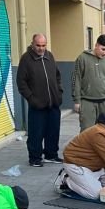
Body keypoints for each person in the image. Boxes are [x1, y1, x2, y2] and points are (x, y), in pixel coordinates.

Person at [16, 34, 63, 167]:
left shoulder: (50, 56)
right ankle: (35, 158)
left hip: (53, 103)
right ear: (32, 44)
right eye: (38, 45)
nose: (41, 48)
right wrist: (31, 99)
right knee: (36, 133)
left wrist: (59, 93)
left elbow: (57, 76)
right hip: (37, 105)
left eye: (43, 45)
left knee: (53, 131)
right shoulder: (26, 59)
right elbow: (21, 82)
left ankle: (51, 155)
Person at [72, 34, 105, 131]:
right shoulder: (82, 58)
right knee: (87, 132)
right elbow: (76, 79)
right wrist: (77, 100)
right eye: (103, 49)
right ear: (96, 45)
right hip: (87, 102)